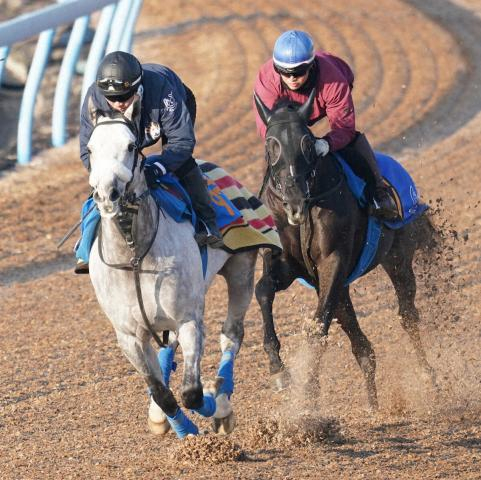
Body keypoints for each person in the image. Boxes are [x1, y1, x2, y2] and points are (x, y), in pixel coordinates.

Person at [76, 51, 223, 273]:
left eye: (124, 97)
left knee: (183, 166)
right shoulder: (94, 99)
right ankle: (85, 246)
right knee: (104, 186)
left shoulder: (163, 92)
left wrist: (159, 167)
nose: (118, 104)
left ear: (137, 87)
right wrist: (107, 174)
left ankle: (208, 223)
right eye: (112, 99)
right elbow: (88, 151)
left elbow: (182, 141)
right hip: (120, 136)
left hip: (165, 117)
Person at [253, 30, 398, 220]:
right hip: (284, 116)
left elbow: (344, 127)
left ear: (311, 66)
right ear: (276, 68)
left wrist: (327, 143)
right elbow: (269, 131)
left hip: (321, 100)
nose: (291, 79)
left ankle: (378, 191)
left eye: (298, 73)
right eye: (284, 73)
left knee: (351, 141)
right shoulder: (266, 80)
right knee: (277, 153)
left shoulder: (334, 80)